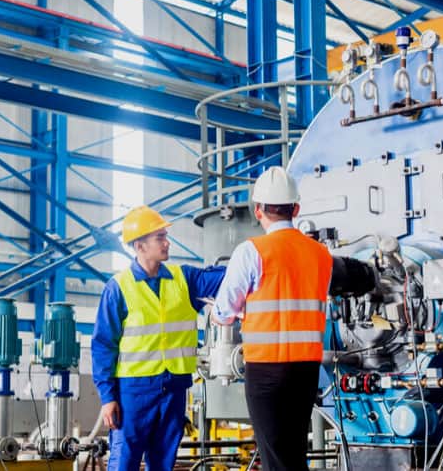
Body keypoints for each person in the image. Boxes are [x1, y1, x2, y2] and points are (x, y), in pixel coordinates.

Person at [212, 166, 333, 471]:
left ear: (258, 210)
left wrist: (223, 314)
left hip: (267, 370)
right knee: (293, 454)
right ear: (296, 209)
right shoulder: (321, 255)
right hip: (306, 371)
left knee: (275, 458)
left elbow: (225, 310)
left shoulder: (251, 251)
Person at [91, 205, 225, 471]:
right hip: (133, 392)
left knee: (164, 463)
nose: (167, 243)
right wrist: (107, 397)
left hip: (174, 389)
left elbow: (225, 278)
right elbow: (103, 345)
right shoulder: (118, 288)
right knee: (124, 461)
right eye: (159, 238)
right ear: (140, 246)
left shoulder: (183, 278)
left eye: (166, 236)